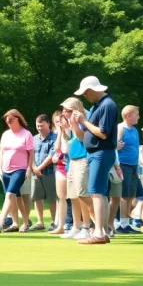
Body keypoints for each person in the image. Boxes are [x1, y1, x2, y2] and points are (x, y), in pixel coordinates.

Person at [73, 76, 118, 245]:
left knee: (96, 192)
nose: (85, 96)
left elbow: (103, 133)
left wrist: (84, 120)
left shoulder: (107, 105)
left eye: (85, 93)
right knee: (99, 193)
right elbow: (84, 135)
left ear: (92, 90)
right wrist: (75, 124)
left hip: (101, 152)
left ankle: (99, 232)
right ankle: (102, 231)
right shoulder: (98, 106)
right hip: (96, 153)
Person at [0, 109, 34, 233]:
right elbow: (1, 153)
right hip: (5, 170)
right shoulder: (6, 134)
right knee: (15, 197)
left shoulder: (26, 134)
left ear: (18, 119)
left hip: (19, 169)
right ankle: (20, 223)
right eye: (7, 121)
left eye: (10, 120)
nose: (8, 122)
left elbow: (31, 153)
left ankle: (0, 222)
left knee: (10, 195)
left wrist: (29, 168)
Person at [60, 97, 93, 239]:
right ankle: (76, 226)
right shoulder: (72, 120)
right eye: (64, 110)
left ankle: (87, 226)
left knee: (82, 194)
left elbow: (81, 138)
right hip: (73, 159)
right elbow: (70, 141)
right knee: (73, 195)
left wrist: (73, 124)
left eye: (67, 110)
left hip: (83, 158)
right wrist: (66, 129)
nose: (65, 113)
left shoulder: (84, 118)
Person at [115, 106, 141, 234]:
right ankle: (122, 224)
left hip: (133, 166)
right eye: (137, 114)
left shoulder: (135, 130)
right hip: (123, 165)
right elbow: (112, 146)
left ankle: (126, 223)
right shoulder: (120, 128)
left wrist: (136, 167)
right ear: (128, 115)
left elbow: (135, 149)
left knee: (131, 195)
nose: (138, 117)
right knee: (124, 195)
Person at [30, 114, 58, 230]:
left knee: (52, 198)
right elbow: (30, 154)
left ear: (48, 124)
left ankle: (53, 222)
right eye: (38, 126)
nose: (39, 128)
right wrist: (33, 168)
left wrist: (39, 168)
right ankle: (40, 222)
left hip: (50, 172)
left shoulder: (55, 138)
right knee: (37, 197)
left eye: (42, 125)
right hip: (35, 173)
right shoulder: (34, 139)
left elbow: (52, 155)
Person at [49, 110, 71, 235]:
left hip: (71, 166)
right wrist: (60, 132)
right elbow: (57, 148)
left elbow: (66, 150)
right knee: (61, 197)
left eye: (61, 121)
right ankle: (61, 226)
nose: (59, 124)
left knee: (74, 198)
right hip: (61, 168)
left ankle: (78, 225)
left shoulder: (73, 132)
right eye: (57, 122)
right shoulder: (60, 133)